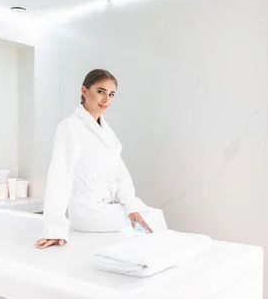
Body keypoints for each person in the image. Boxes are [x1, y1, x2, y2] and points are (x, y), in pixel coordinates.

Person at [35, 69, 168, 249]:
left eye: (111, 94)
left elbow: (120, 175)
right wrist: (54, 230)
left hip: (106, 206)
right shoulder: (70, 127)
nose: (106, 100)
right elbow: (60, 177)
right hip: (86, 211)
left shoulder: (107, 132)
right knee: (152, 219)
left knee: (149, 215)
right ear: (84, 91)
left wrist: (131, 206)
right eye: (100, 92)